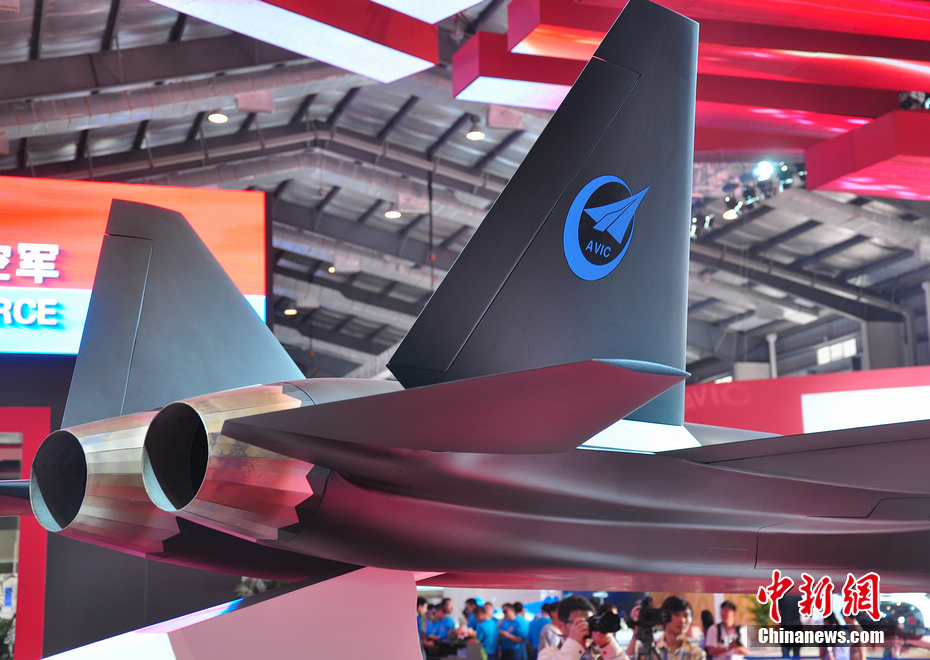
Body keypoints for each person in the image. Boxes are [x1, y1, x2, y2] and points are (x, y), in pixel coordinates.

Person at [538, 594, 628, 660]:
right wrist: (574, 642)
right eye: (580, 623)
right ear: (561, 625)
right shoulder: (549, 654)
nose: (587, 627)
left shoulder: (602, 654)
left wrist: (608, 645)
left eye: (589, 622)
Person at [630, 596, 706, 660]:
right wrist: (635, 633)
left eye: (686, 615)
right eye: (676, 614)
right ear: (664, 616)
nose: (682, 620)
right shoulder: (650, 649)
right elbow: (629, 657)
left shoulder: (696, 653)